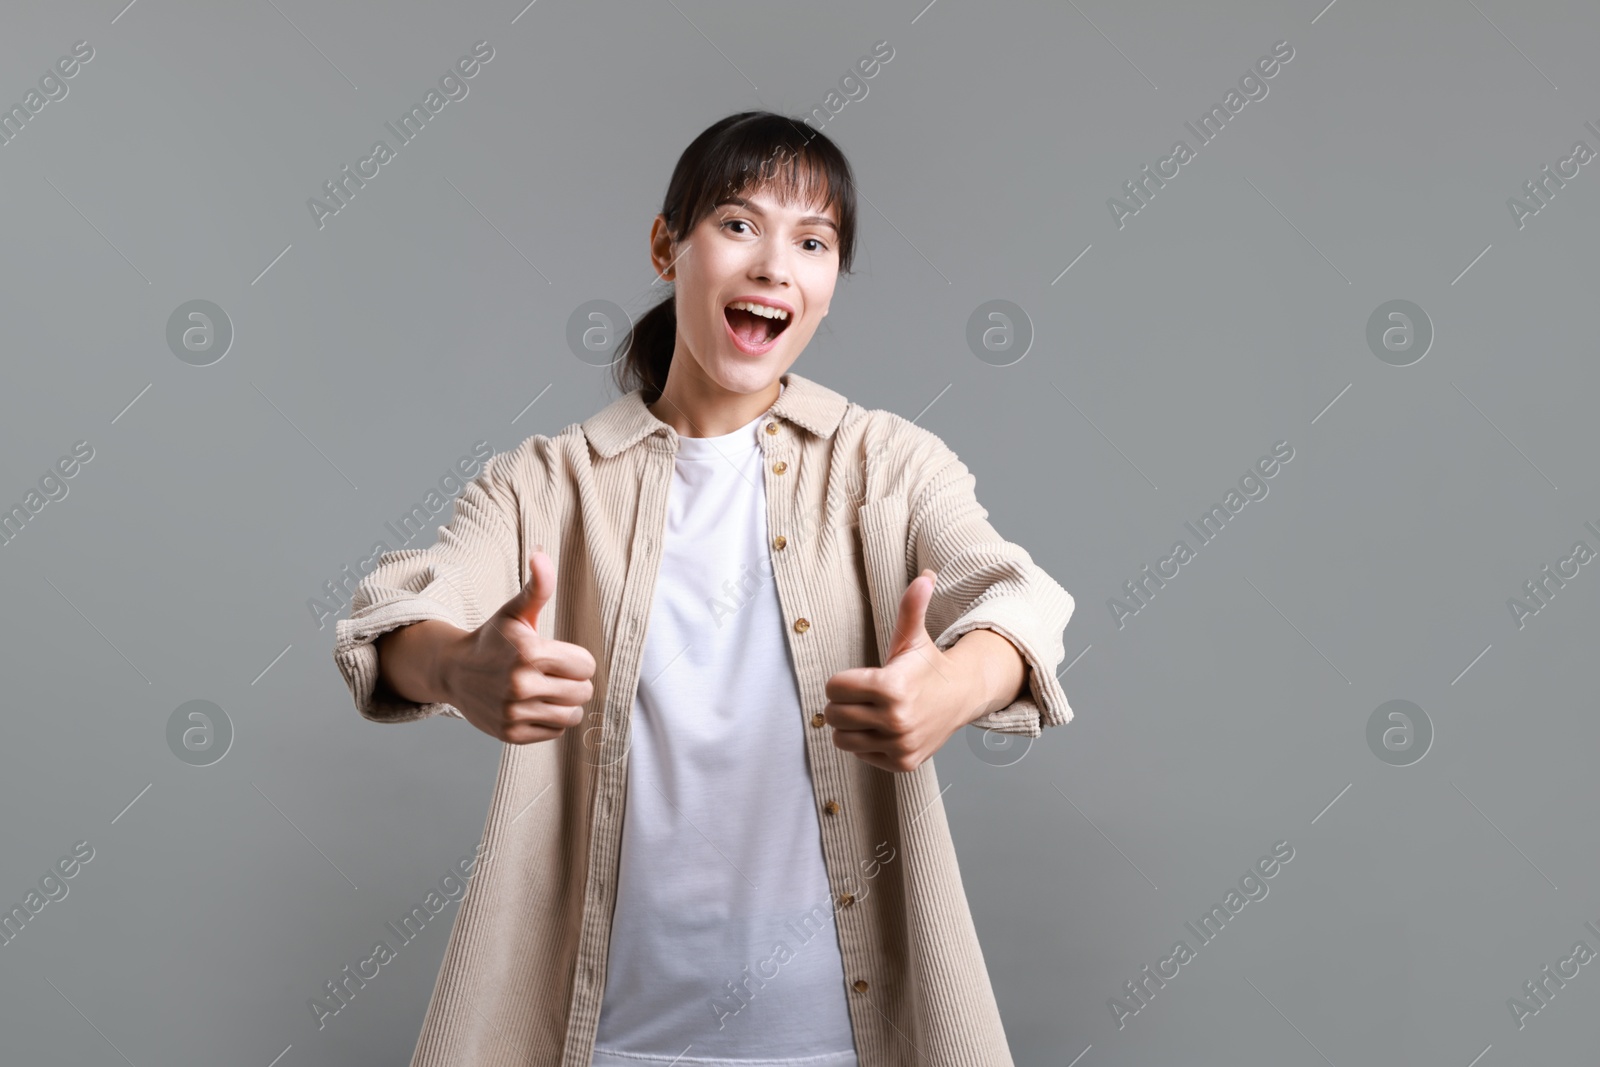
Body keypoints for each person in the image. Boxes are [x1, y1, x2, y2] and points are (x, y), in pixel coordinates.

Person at [332, 110, 1075, 1067]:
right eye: (739, 224)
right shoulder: (549, 481)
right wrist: (455, 666)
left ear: (829, 283)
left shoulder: (886, 464)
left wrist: (957, 686)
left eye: (813, 242)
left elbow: (1019, 595)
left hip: (844, 1041)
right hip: (601, 1039)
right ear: (665, 243)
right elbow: (390, 613)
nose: (775, 265)